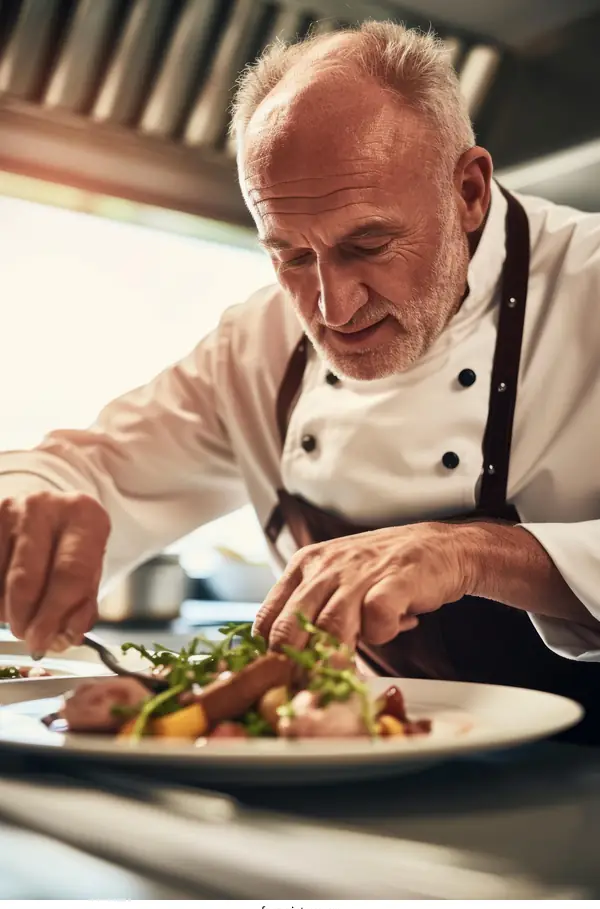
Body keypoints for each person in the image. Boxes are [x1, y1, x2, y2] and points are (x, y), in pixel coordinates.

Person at [2, 22, 600, 738]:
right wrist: (27, 499)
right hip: (367, 768)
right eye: (289, 256)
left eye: (367, 244)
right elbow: (85, 470)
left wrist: (477, 552)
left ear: (469, 190)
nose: (331, 306)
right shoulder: (257, 345)